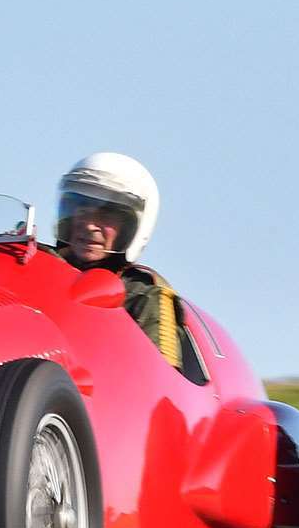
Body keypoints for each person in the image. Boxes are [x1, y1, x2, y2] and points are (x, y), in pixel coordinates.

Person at [52, 151, 203, 378]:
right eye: (82, 212)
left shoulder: (145, 294)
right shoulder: (40, 266)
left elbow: (159, 383)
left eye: (106, 217)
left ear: (130, 228)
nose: (90, 226)